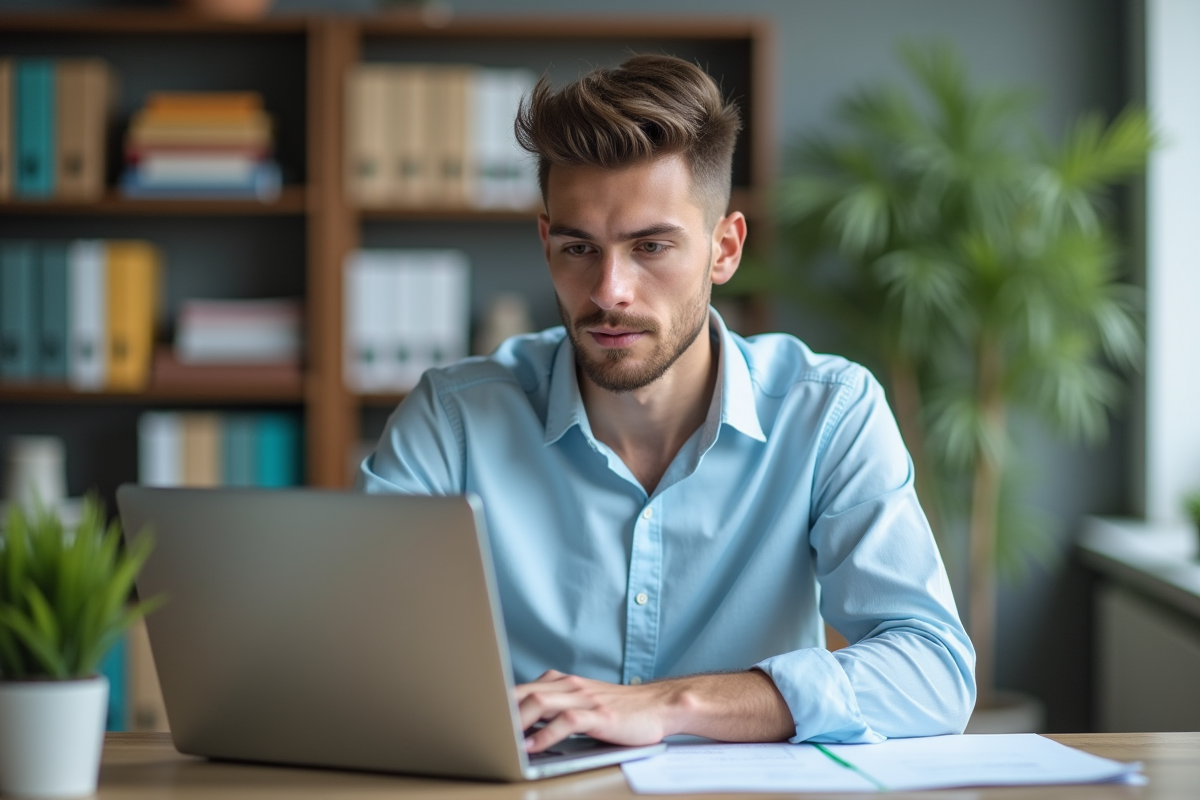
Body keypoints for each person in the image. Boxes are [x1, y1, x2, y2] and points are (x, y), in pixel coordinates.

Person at [359, 54, 975, 753]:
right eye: (578, 248)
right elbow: (350, 646)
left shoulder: (828, 412)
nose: (609, 291)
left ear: (725, 249)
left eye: (650, 246)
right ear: (545, 243)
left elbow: (933, 670)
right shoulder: (455, 419)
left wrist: (675, 705)